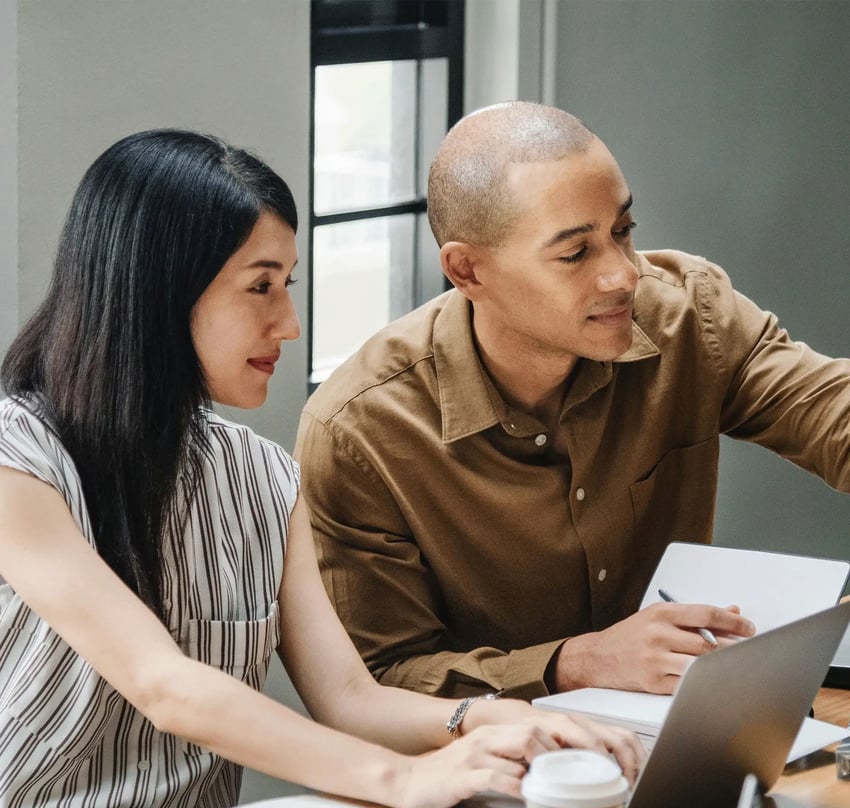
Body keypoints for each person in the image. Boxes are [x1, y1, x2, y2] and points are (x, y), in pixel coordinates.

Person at [0, 129, 642, 808]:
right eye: (260, 287)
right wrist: (402, 781)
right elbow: (164, 685)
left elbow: (348, 698)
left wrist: (485, 720)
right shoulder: (16, 457)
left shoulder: (263, 476)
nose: (290, 323)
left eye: (289, 284)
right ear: (156, 292)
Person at [294, 101, 850, 702]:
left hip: (685, 740)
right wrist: (574, 664)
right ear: (469, 271)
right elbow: (378, 684)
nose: (623, 274)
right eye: (575, 253)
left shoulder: (691, 315)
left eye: (623, 231)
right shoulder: (360, 432)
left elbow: (830, 411)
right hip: (478, 776)